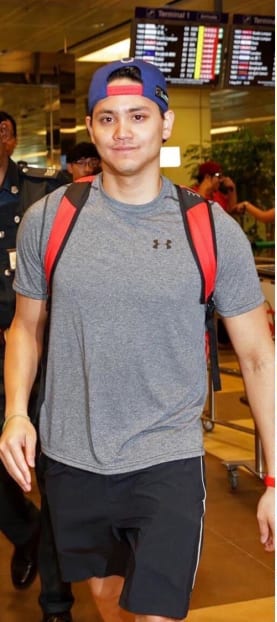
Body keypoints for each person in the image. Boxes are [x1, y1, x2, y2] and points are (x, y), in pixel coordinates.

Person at [0, 58, 275, 622]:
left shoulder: (210, 228)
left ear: (166, 124)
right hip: (73, 455)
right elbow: (26, 328)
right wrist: (15, 415)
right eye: (108, 118)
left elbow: (256, 356)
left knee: (155, 613)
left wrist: (275, 476)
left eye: (138, 115)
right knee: (106, 599)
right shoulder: (49, 219)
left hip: (166, 456)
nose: (122, 131)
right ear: (93, 127)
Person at [0, 110, 74, 622]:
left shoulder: (42, 192)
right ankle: (26, 534)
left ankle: (57, 602)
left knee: (51, 470)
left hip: (38, 347)